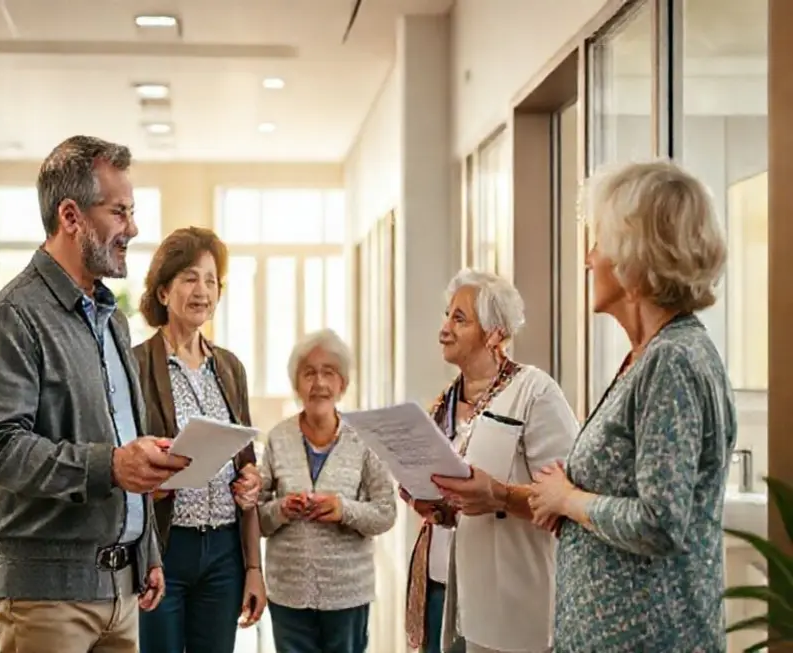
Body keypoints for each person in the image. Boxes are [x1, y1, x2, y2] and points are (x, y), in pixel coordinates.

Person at [0, 135, 191, 652]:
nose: (133, 229)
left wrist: (147, 551)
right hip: (47, 600)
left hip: (120, 591)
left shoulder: (110, 318)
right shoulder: (15, 316)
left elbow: (124, 440)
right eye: (119, 212)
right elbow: (1, 450)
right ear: (71, 217)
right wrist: (112, 466)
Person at [528, 160, 736, 652]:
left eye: (598, 243)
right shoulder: (651, 355)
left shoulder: (672, 361)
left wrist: (569, 501)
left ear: (634, 259)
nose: (588, 258)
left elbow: (660, 522)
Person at [421, 269, 578, 653]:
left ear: (496, 333)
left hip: (516, 610)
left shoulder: (535, 393)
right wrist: (431, 503)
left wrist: (499, 496)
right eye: (446, 315)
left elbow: (569, 500)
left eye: (459, 319)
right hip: (446, 596)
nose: (445, 328)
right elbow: (453, 503)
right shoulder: (443, 404)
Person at [132, 226, 266, 653]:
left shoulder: (229, 367)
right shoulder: (135, 365)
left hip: (224, 551)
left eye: (211, 280)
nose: (202, 290)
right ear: (164, 291)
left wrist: (253, 566)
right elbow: (123, 462)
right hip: (165, 549)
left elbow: (245, 463)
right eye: (190, 277)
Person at [257, 328, 396, 653]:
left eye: (328, 373)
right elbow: (258, 517)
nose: (318, 383)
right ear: (296, 384)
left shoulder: (364, 439)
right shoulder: (278, 438)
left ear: (342, 384)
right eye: (309, 373)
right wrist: (281, 509)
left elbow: (386, 513)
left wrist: (343, 509)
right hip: (288, 592)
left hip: (347, 593)